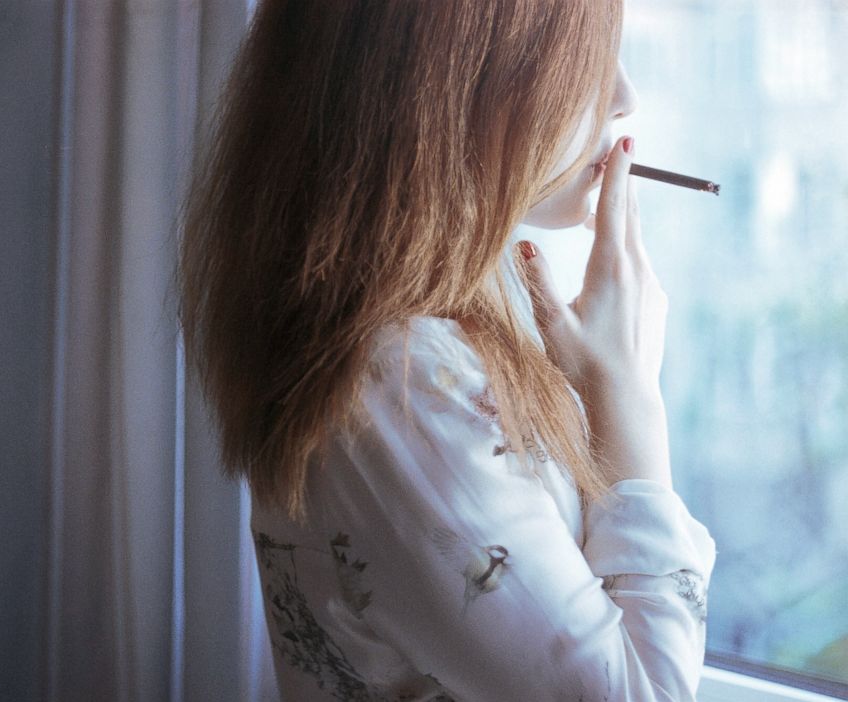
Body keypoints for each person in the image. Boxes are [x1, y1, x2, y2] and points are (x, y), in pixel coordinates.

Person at [180, 1, 716, 700]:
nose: (624, 96)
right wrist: (628, 401)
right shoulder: (399, 382)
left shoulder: (464, 308)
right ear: (456, 82)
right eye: (583, 63)